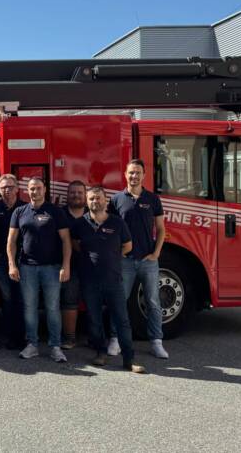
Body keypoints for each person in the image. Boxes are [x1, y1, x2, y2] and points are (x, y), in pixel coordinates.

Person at [72, 187, 146, 373]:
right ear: (87, 202)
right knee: (94, 320)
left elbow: (128, 246)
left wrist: (112, 256)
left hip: (113, 281)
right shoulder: (80, 224)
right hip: (89, 281)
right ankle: (100, 354)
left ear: (106, 201)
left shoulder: (117, 223)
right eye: (91, 199)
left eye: (98, 198)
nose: (95, 201)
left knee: (122, 321)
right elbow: (75, 244)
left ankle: (129, 360)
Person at [108, 159, 169, 359]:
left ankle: (156, 342)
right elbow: (111, 230)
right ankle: (115, 340)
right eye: (131, 173)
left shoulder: (153, 199)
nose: (134, 176)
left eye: (138, 173)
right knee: (119, 301)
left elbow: (160, 229)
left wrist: (157, 253)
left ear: (144, 175)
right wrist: (117, 253)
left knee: (153, 301)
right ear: (125, 175)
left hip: (148, 260)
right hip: (125, 261)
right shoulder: (116, 200)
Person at [7, 177, 71, 362]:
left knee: (52, 308)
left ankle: (55, 347)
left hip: (52, 268)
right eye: (32, 189)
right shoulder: (19, 212)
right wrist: (12, 264)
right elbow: (11, 241)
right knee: (29, 308)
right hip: (27, 268)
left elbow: (66, 240)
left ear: (45, 190)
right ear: (27, 191)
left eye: (38, 188)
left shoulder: (56, 212)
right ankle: (32, 344)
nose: (35, 192)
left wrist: (65, 265)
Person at [0, 174, 26, 349]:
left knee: (24, 298)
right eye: (3, 187)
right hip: (1, 261)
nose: (7, 190)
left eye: (10, 187)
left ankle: (25, 336)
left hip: (24, 260)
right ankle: (12, 336)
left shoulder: (26, 208)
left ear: (17, 189)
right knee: (8, 299)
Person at [60, 180, 87, 349]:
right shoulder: (60, 213)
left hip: (92, 267)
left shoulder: (94, 212)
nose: (76, 195)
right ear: (67, 195)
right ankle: (69, 338)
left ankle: (95, 338)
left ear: (85, 195)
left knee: (94, 302)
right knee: (69, 301)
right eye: (72, 192)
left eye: (79, 193)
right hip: (69, 265)